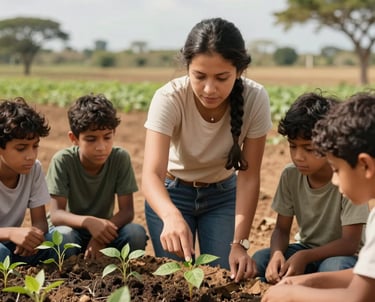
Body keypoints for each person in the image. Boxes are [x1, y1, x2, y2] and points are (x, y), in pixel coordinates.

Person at [141, 17, 272, 281]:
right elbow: (151, 175)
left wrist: (240, 243)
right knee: (175, 281)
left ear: (239, 70)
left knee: (222, 278)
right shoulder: (169, 98)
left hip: (223, 197)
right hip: (172, 194)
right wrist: (170, 216)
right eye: (199, 76)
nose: (210, 89)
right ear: (187, 67)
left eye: (222, 78)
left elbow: (248, 176)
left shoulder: (255, 99)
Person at [261, 92, 375, 302]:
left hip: (338, 257)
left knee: (335, 266)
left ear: (365, 165)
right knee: (261, 259)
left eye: (337, 170)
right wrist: (305, 282)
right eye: (293, 146)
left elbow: (357, 296)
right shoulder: (291, 176)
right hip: (306, 250)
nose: (335, 180)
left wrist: (293, 293)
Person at [46, 93, 148, 260]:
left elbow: (127, 211)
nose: (101, 147)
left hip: (103, 229)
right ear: (74, 138)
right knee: (64, 237)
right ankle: (70, 268)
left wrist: (100, 236)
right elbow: (57, 215)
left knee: (135, 233)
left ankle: (116, 271)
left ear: (114, 133)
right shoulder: (63, 161)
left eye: (107, 137)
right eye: (91, 139)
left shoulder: (119, 158)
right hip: (70, 229)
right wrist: (88, 222)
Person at [0, 97, 55, 265]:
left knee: (61, 243)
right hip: (6, 242)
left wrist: (34, 236)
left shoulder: (34, 169)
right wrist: (11, 233)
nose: (30, 155)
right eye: (21, 148)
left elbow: (40, 221)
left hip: (15, 244)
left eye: (35, 146)